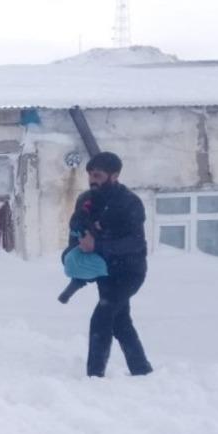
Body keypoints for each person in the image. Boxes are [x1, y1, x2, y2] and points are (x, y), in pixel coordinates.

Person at [73, 151, 153, 377]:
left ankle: (94, 376)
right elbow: (77, 232)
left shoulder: (129, 202)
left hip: (130, 271)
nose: (92, 179)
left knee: (102, 315)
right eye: (89, 174)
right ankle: (141, 370)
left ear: (114, 175)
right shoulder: (85, 200)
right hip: (104, 271)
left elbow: (136, 242)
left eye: (97, 175)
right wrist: (73, 258)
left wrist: (96, 246)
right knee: (120, 322)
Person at [57, 193, 108, 303]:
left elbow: (73, 237)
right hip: (95, 263)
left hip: (72, 261)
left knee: (75, 260)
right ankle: (105, 298)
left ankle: (77, 281)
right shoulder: (86, 218)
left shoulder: (78, 217)